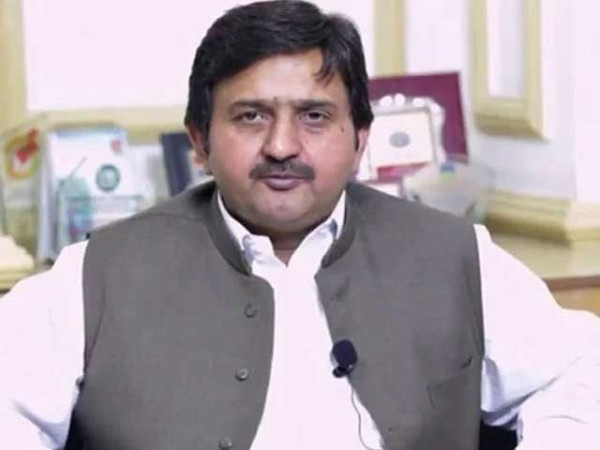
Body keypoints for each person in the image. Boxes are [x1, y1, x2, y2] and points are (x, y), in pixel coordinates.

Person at [1, 1, 599, 449]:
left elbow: (579, 370)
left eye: (314, 116)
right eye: (250, 116)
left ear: (360, 139)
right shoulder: (97, 274)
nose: (282, 146)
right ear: (200, 142)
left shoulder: (456, 255)